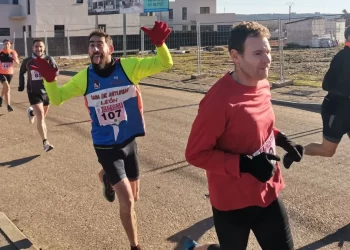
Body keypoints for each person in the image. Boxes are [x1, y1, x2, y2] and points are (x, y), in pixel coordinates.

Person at [31, 21, 173, 250]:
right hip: (105, 145)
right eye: (91, 45)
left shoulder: (128, 67)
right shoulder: (85, 77)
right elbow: (56, 99)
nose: (95, 49)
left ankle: (107, 177)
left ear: (110, 48)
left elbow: (165, 63)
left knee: (135, 198)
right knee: (126, 200)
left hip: (128, 141)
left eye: (99, 44)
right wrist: (49, 82)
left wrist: (160, 44)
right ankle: (134, 246)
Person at [184, 21, 303, 250]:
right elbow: (195, 154)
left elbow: (259, 127)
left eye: (268, 51)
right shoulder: (219, 101)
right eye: (258, 53)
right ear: (236, 57)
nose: (267, 59)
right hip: (232, 202)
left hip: (267, 191)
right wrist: (246, 165)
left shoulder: (262, 84)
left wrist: (283, 140)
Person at [283, 26, 350, 167]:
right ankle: (295, 151)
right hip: (337, 110)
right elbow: (327, 84)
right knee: (327, 150)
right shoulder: (342, 58)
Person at [18, 39, 57, 152]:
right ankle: (45, 142)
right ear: (32, 48)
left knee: (42, 116)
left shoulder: (49, 59)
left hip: (47, 92)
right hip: (33, 92)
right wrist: (21, 85)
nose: (38, 49)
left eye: (40, 46)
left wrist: (52, 79)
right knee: (40, 116)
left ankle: (31, 112)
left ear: (44, 48)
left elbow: (55, 73)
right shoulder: (28, 61)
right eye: (36, 46)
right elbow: (21, 72)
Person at [0, 39, 19, 112]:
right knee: (7, 87)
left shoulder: (13, 52)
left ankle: (0, 97)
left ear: (10, 45)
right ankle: (8, 105)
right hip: (1, 73)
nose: (6, 45)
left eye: (8, 44)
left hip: (10, 73)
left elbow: (17, 62)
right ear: (3, 44)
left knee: (5, 88)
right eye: (5, 44)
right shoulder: (0, 52)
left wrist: (14, 58)